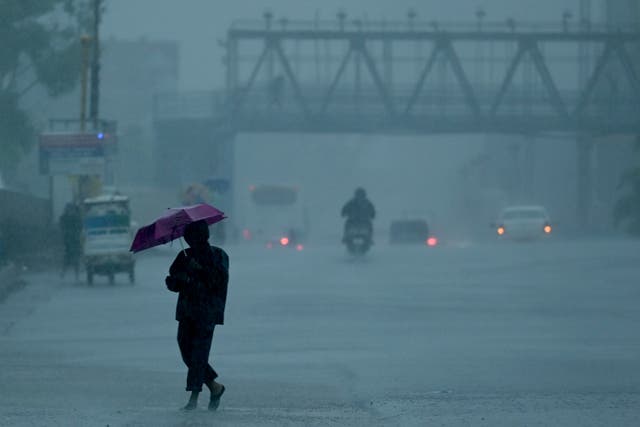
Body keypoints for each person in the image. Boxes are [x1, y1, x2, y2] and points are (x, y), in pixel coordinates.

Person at [165, 220, 230, 411]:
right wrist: (179, 279)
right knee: (187, 351)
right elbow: (173, 282)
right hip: (187, 312)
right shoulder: (183, 256)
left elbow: (218, 282)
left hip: (207, 313)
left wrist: (199, 270)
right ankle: (214, 387)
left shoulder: (218, 256)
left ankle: (193, 399)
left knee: (199, 354)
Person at [59, 202, 83, 280]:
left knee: (75, 259)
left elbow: (80, 228)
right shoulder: (64, 218)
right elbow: (62, 228)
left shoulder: (76, 218)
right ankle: (63, 273)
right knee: (67, 258)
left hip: (75, 241)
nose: (70, 211)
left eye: (71, 209)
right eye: (68, 209)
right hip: (68, 241)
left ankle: (76, 275)